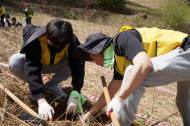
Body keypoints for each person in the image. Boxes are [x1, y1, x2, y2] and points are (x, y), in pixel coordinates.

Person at [77, 26, 190, 126]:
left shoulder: (122, 39)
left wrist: (120, 98)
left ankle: (121, 123)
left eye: (92, 58)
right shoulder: (120, 61)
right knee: (184, 101)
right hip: (183, 61)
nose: (95, 63)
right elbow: (112, 88)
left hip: (186, 50)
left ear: (98, 51)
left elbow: (143, 65)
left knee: (133, 73)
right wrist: (91, 112)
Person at [9, 19, 86, 121]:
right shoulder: (36, 38)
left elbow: (78, 66)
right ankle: (36, 89)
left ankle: (52, 85)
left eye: (60, 45)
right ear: (47, 34)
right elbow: (32, 67)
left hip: (55, 64)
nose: (57, 47)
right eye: (53, 43)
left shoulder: (72, 41)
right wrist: (40, 99)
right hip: (37, 63)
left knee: (75, 60)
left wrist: (76, 91)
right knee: (15, 62)